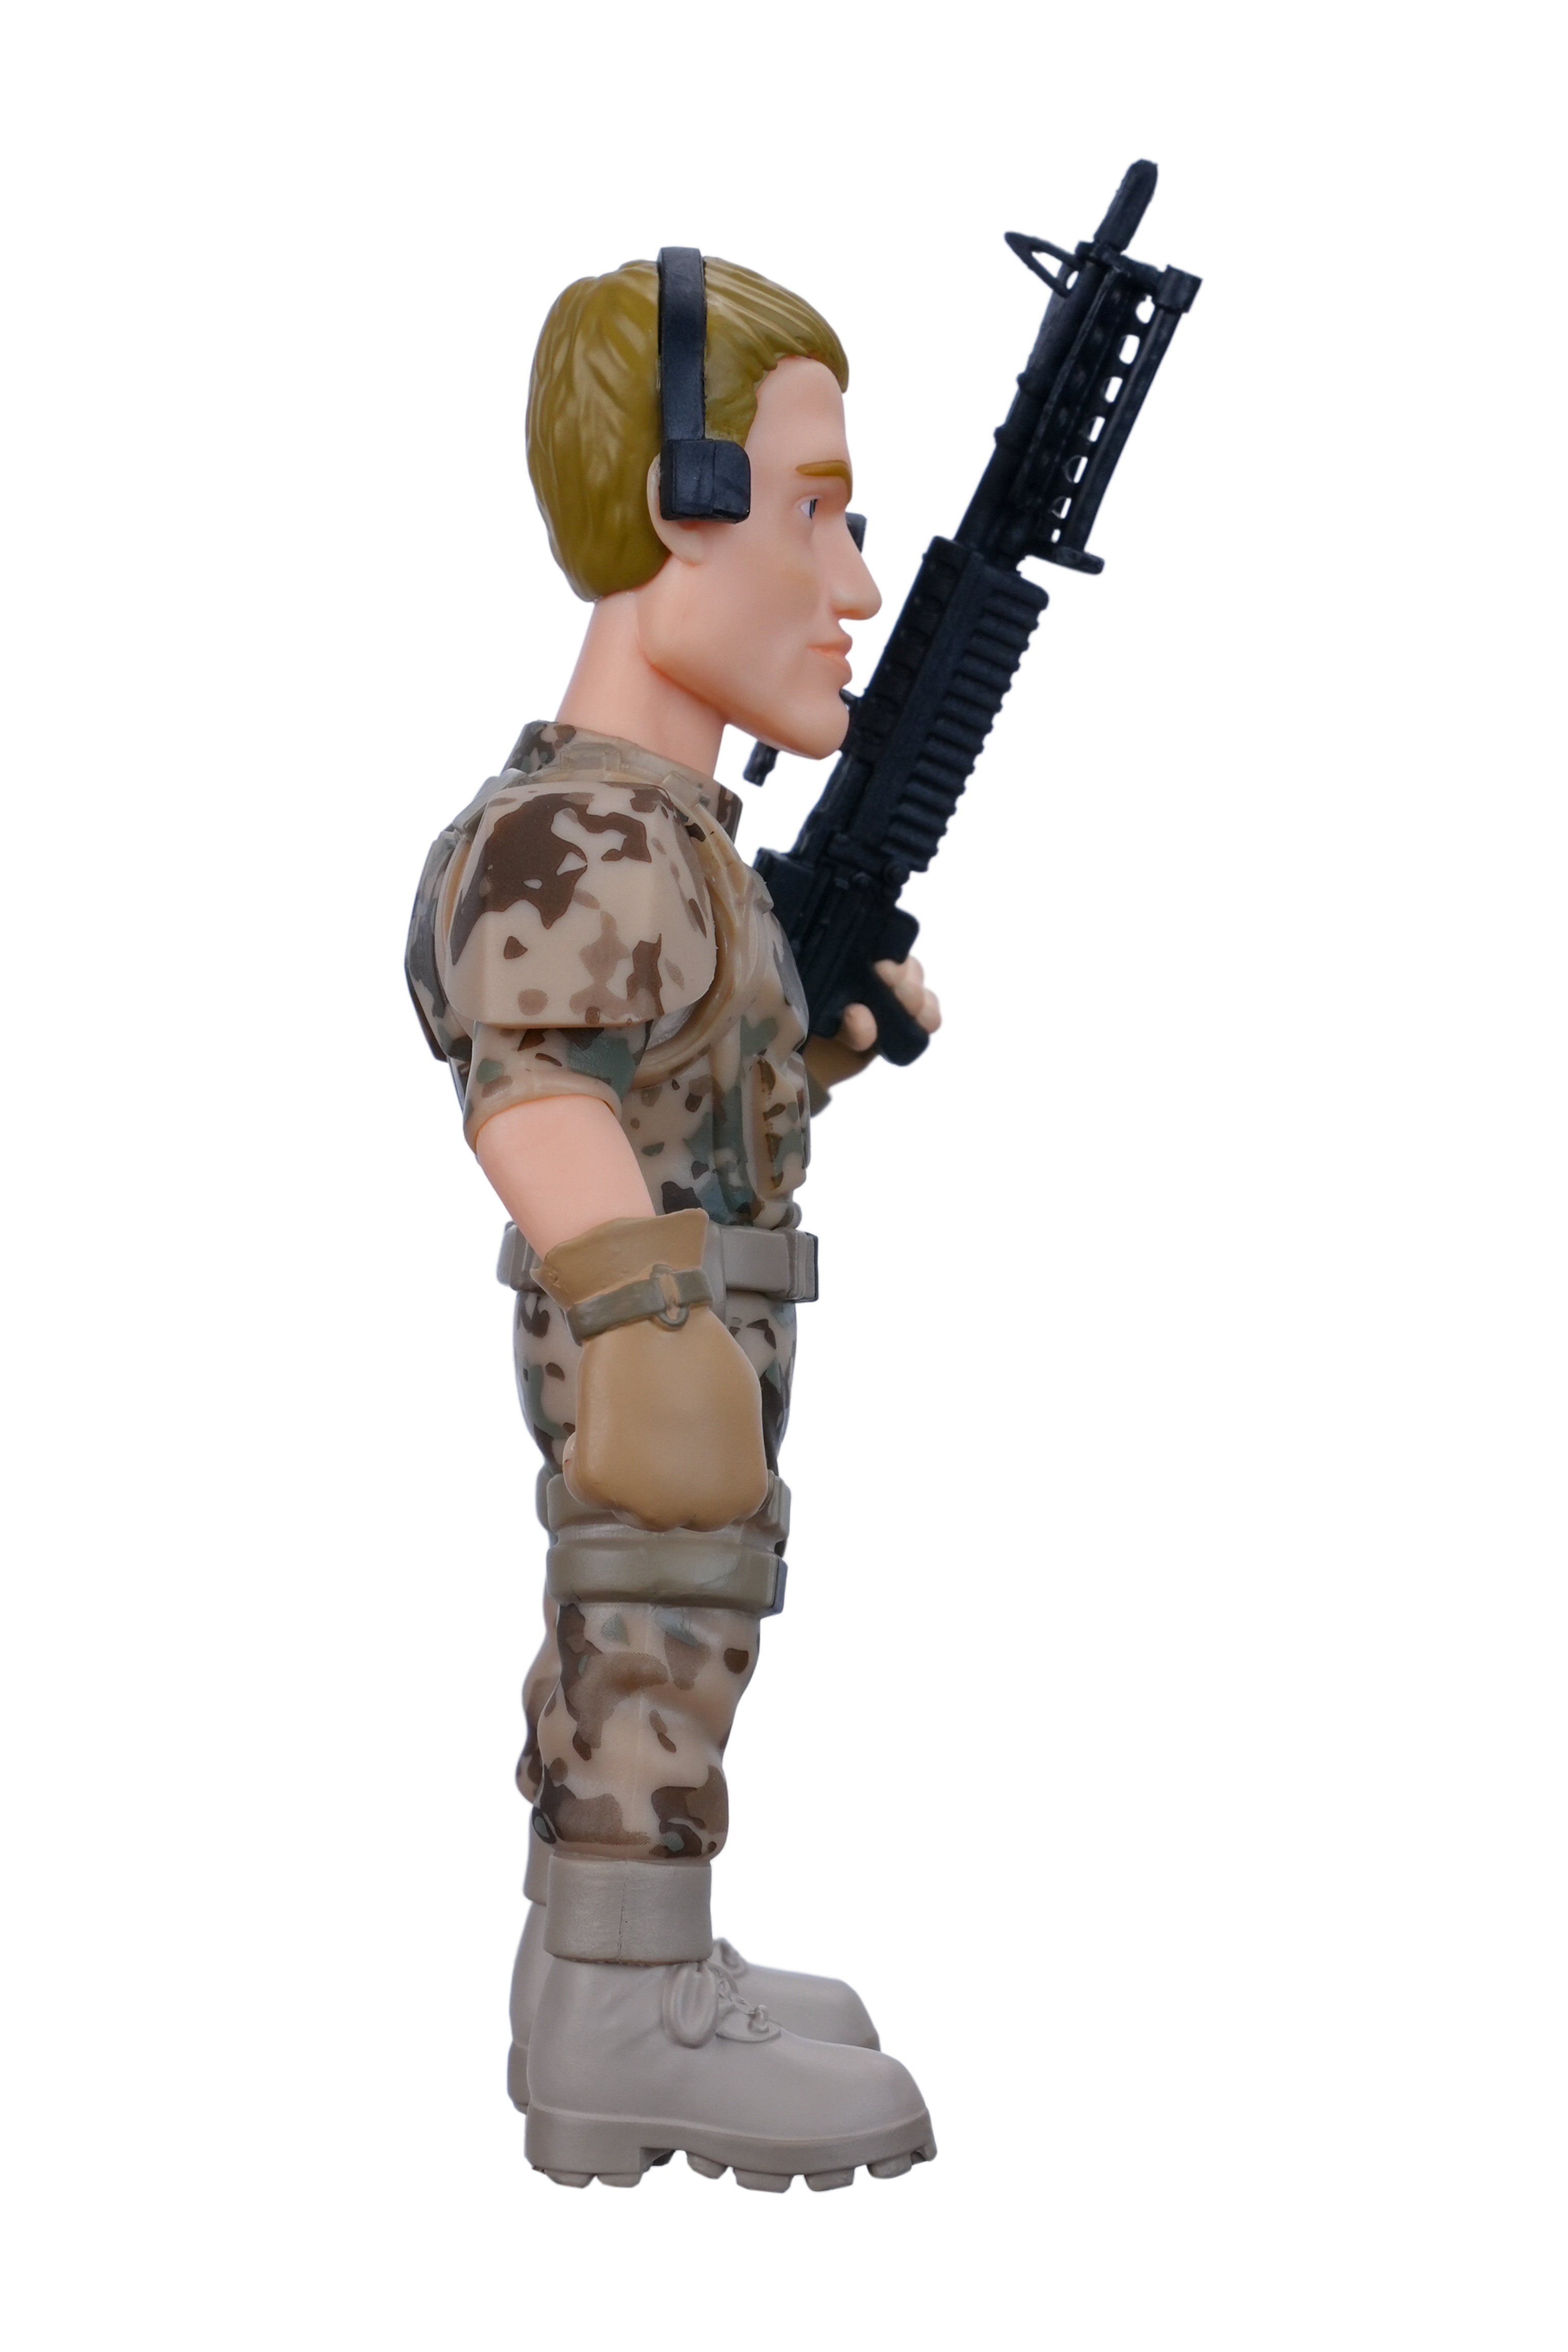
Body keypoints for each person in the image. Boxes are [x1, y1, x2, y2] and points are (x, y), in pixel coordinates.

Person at [407, 253, 940, 2191]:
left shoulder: (678, 844)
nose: (853, 586)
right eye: (814, 513)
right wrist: (645, 1330)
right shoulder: (580, 837)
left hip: (708, 1309)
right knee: (647, 1635)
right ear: (681, 504)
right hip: (665, 1334)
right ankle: (624, 2030)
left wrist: (822, 1031)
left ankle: (619, 1968)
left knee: (676, 1647)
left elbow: (683, 1074)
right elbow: (530, 1081)